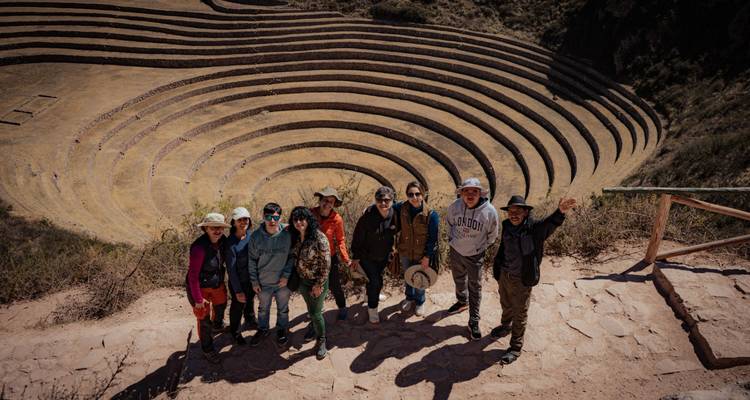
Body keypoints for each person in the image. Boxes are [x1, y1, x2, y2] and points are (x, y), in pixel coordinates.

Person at [491, 195, 576, 364]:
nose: (513, 214)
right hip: (505, 275)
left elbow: (549, 224)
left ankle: (515, 348)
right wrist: (498, 268)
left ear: (526, 212)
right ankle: (505, 326)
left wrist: (560, 212)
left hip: (522, 278)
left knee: (520, 312)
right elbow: (503, 247)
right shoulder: (507, 225)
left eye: (518, 211)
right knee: (506, 303)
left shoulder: (534, 229)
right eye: (511, 211)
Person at [446, 178, 499, 340]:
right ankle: (462, 301)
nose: (470, 194)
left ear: (480, 194)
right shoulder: (454, 207)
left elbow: (492, 235)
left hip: (475, 255)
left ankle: (473, 320)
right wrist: (452, 242)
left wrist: (479, 248)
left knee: (475, 287)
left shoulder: (489, 212)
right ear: (461, 193)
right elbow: (449, 224)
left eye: (474, 191)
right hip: (456, 251)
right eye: (466, 191)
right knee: (458, 279)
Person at [248, 203, 294, 347]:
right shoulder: (256, 237)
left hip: (282, 283)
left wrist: (286, 276)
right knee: (263, 309)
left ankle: (281, 330)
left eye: (275, 217)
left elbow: (291, 257)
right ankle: (263, 329)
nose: (272, 220)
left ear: (280, 218)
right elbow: (252, 260)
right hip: (264, 282)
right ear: (263, 217)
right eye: (268, 217)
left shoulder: (287, 235)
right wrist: (254, 282)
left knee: (283, 309)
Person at [186, 212, 229, 363]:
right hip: (200, 287)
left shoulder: (222, 240)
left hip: (216, 282)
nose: (217, 231)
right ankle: (207, 349)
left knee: (221, 304)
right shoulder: (199, 248)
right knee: (203, 319)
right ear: (206, 228)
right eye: (213, 228)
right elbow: (193, 277)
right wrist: (198, 300)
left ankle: (217, 325)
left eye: (220, 228)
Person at [351, 186, 398, 324]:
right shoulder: (367, 217)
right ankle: (372, 308)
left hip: (384, 255)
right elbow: (357, 237)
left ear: (392, 200)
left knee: (375, 279)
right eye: (379, 200)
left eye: (387, 200)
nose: (383, 203)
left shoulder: (395, 214)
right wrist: (356, 256)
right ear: (375, 200)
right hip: (367, 256)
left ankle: (369, 295)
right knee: (376, 281)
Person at [289, 206, 331, 360]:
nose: (299, 222)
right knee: (311, 309)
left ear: (308, 220)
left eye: (302, 219)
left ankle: (321, 340)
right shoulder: (295, 236)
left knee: (315, 312)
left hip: (316, 282)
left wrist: (319, 284)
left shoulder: (319, 238)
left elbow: (326, 264)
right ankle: (314, 328)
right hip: (302, 281)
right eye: (295, 219)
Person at [394, 181, 440, 317]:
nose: (414, 197)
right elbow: (387, 206)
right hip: (405, 251)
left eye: (417, 194)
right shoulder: (401, 208)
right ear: (407, 195)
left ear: (423, 194)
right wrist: (370, 208)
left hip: (421, 254)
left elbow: (432, 239)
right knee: (408, 276)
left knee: (420, 278)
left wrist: (427, 257)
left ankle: (420, 301)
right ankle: (409, 298)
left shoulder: (431, 215)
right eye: (410, 194)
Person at [310, 187, 352, 321]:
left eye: (331, 201)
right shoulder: (310, 213)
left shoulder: (337, 219)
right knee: (314, 284)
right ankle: (317, 308)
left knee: (334, 285)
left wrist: (346, 259)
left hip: (330, 257)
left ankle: (342, 307)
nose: (327, 203)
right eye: (325, 200)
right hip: (312, 258)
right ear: (320, 200)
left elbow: (340, 240)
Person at [225, 207, 257, 345]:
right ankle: (235, 331)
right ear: (234, 222)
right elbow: (231, 270)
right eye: (240, 220)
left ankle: (250, 319)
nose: (243, 222)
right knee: (238, 306)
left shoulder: (251, 236)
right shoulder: (230, 243)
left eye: (245, 219)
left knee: (250, 300)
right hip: (238, 281)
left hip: (251, 279)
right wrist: (237, 291)